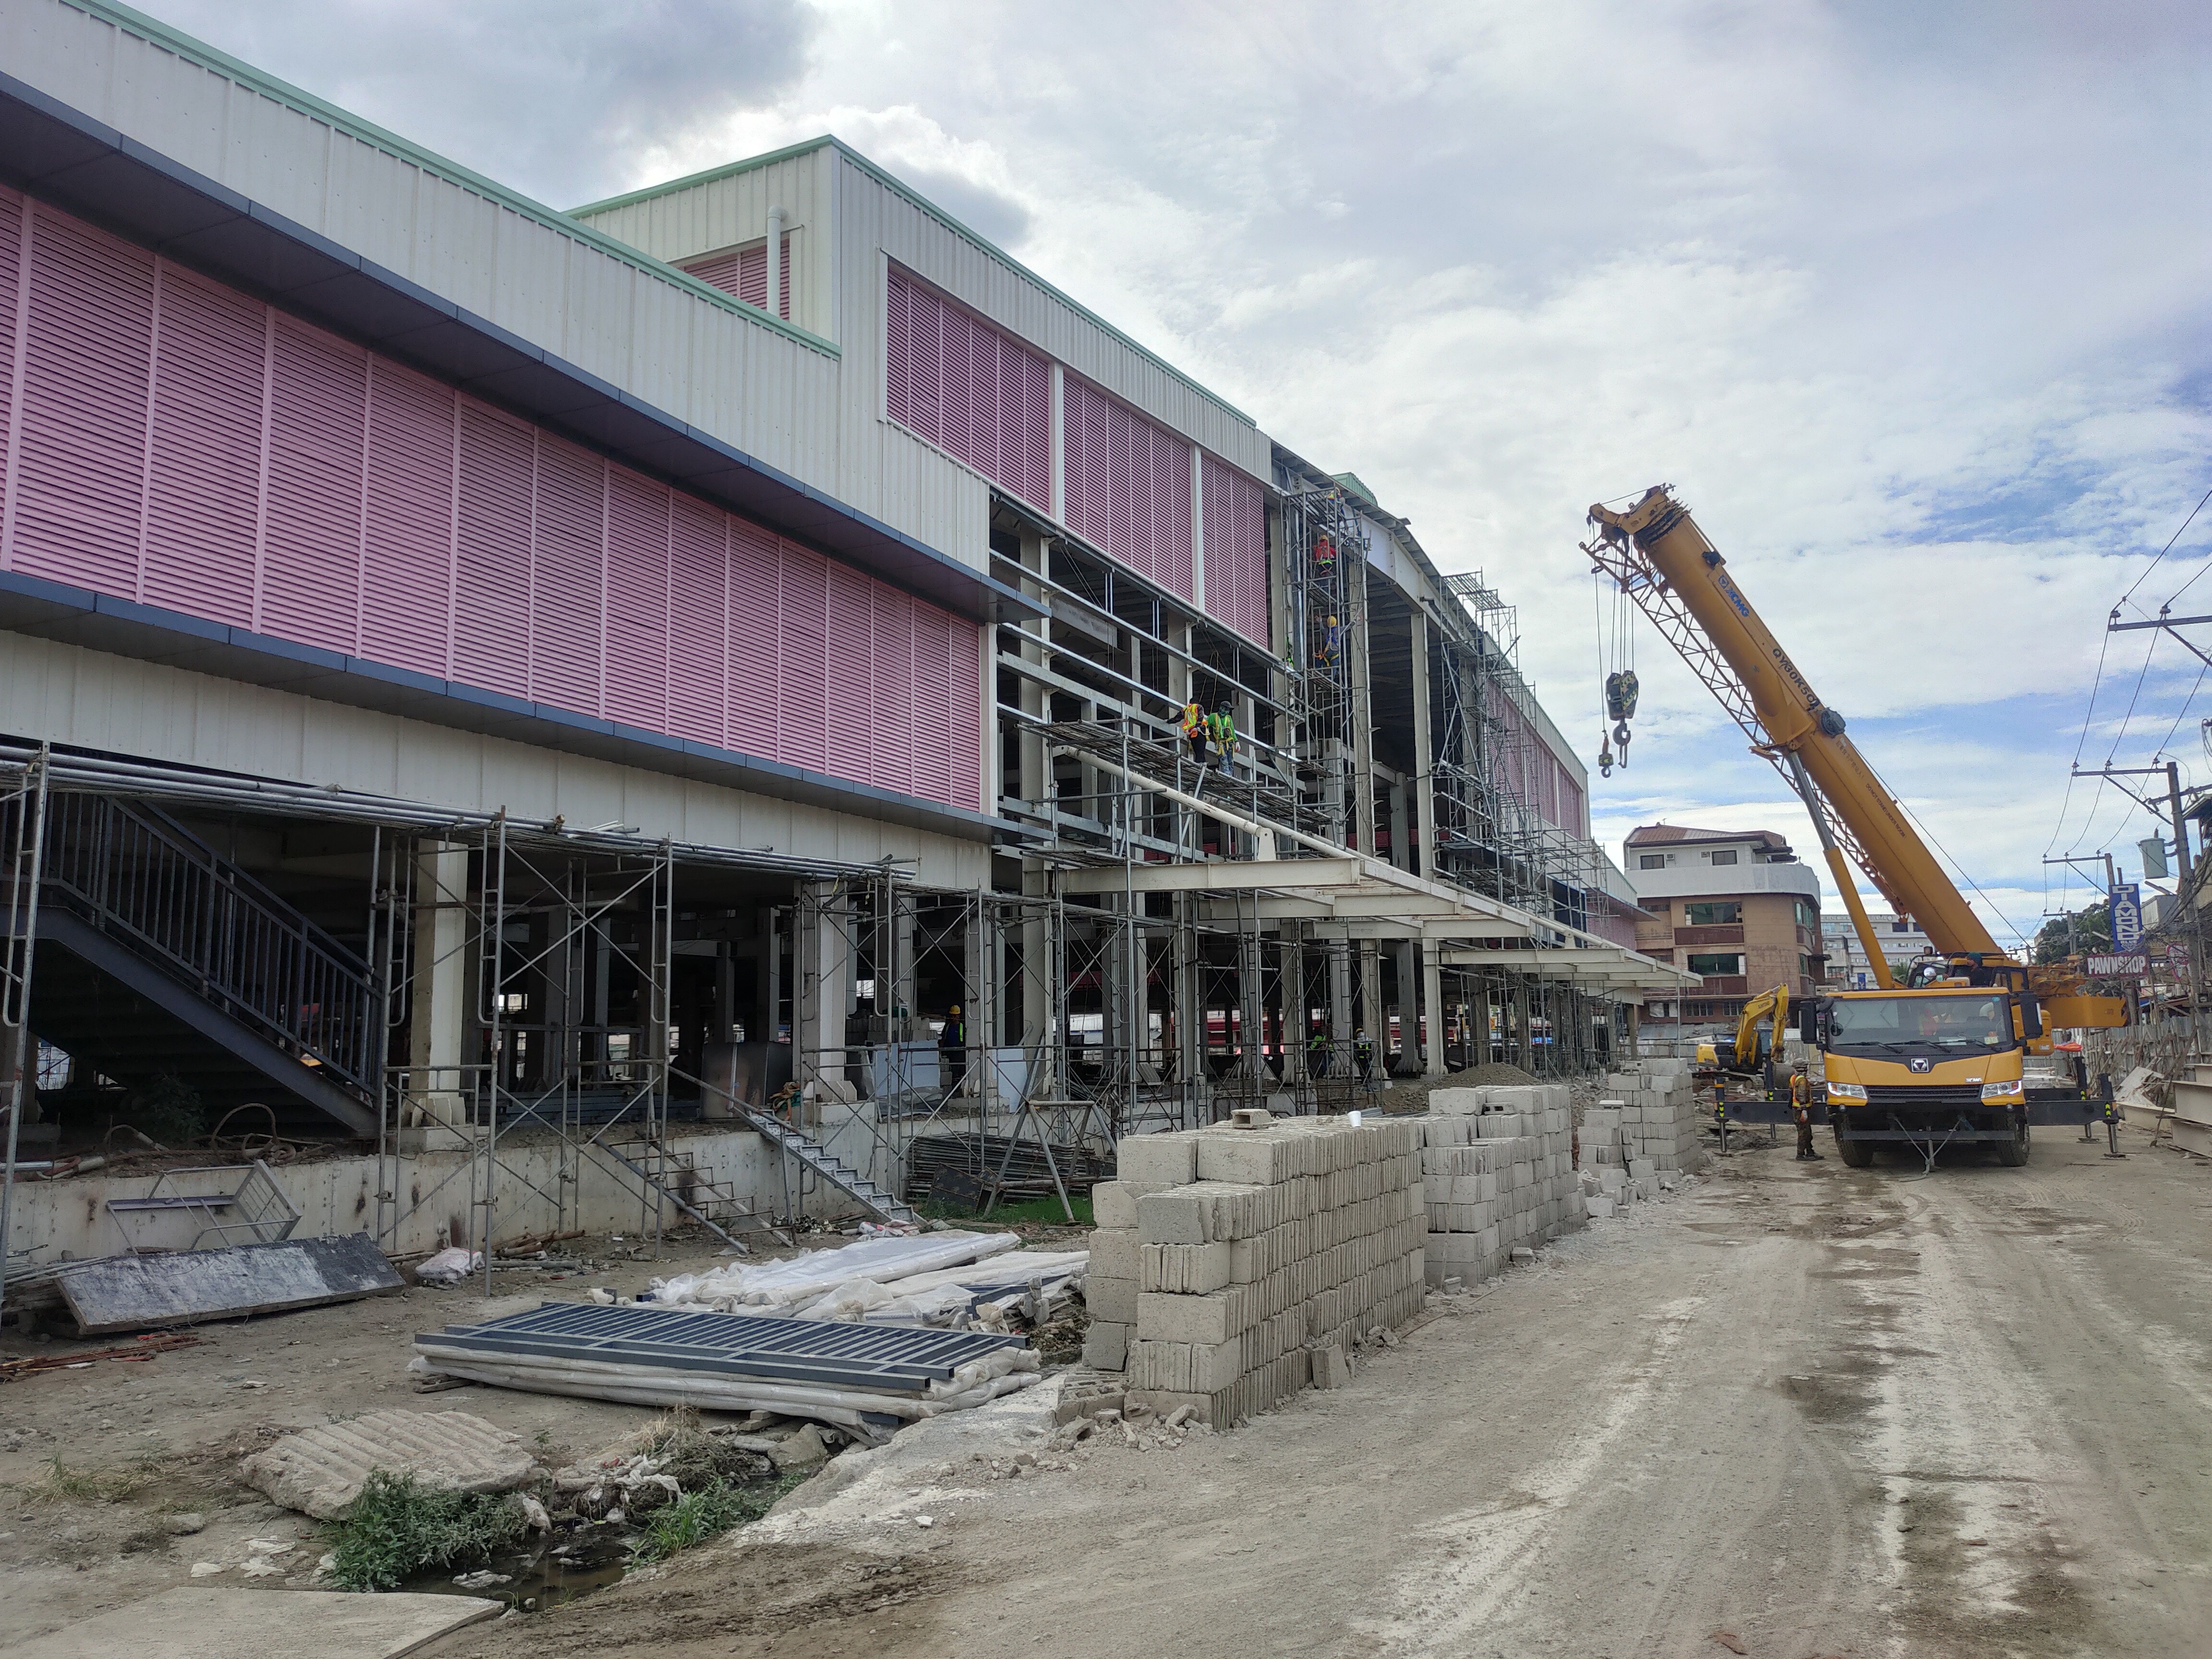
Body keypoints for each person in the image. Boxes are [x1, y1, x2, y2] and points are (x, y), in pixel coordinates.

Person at [1791, 1062, 1822, 1161]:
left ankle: (1810, 1152)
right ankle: (1800, 1155)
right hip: (1801, 1110)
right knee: (1804, 1133)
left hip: (1797, 1109)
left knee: (1807, 1132)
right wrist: (1804, 1109)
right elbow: (1801, 1095)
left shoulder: (1793, 1078)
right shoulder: (1802, 1081)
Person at [938, 1003, 967, 1099]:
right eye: (952, 1016)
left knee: (959, 1073)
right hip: (949, 1053)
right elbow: (942, 1040)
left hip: (959, 1053)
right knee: (951, 1073)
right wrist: (940, 1052)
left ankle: (958, 1091)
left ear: (959, 1016)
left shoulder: (962, 1027)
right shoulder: (947, 1027)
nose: (954, 1017)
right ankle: (952, 1092)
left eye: (956, 1015)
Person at [1179, 697, 1205, 764]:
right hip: (1199, 731)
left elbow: (1177, 718)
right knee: (1200, 751)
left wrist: (1168, 721)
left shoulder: (1186, 709)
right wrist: (1197, 727)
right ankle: (1200, 766)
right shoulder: (1199, 707)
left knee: (1197, 751)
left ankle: (1203, 765)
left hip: (1191, 733)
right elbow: (1201, 717)